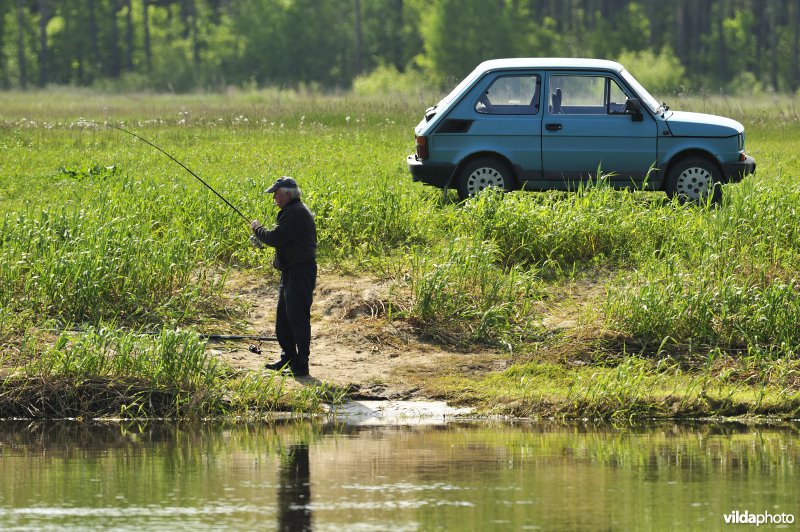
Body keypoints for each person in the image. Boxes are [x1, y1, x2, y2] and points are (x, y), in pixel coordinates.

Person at [250, 176, 317, 377]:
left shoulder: (296, 213)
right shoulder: (290, 211)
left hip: (300, 272)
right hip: (290, 272)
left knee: (297, 319)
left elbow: (275, 238)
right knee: (283, 319)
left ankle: (301, 365)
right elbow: (281, 239)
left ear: (288, 194)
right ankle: (287, 357)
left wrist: (257, 228)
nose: (274, 199)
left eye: (276, 195)